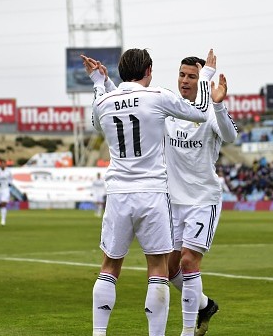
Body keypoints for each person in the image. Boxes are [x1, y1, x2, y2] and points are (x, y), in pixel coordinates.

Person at [82, 48, 220, 336]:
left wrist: (99, 81)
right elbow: (199, 112)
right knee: (158, 269)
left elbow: (99, 120)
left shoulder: (104, 102)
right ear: (148, 71)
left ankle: (98, 333)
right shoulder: (157, 96)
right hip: (153, 193)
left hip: (118, 193)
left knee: (109, 267)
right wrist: (205, 75)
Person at [164, 55, 237, 336]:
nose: (185, 80)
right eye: (182, 75)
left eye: (192, 76)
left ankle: (185, 332)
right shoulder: (169, 109)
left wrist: (217, 104)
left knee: (188, 261)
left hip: (202, 200)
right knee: (169, 269)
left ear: (201, 80)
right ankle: (205, 305)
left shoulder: (211, 111)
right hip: (172, 201)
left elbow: (230, 136)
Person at [0, 159, 12, 226]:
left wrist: (10, 183)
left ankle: (3, 220)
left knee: (4, 202)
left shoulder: (9, 171)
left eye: (4, 164)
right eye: (2, 164)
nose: (3, 165)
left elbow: (10, 178)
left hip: (5, 188)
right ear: (0, 164)